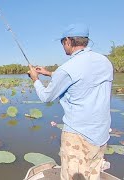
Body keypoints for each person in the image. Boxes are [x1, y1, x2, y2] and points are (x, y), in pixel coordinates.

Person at [27, 24, 113, 180]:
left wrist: (36, 79)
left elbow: (46, 97)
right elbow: (82, 78)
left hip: (78, 135)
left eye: (62, 42)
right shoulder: (104, 61)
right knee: (93, 175)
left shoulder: (67, 68)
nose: (63, 46)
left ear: (67, 41)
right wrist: (49, 73)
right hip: (101, 133)